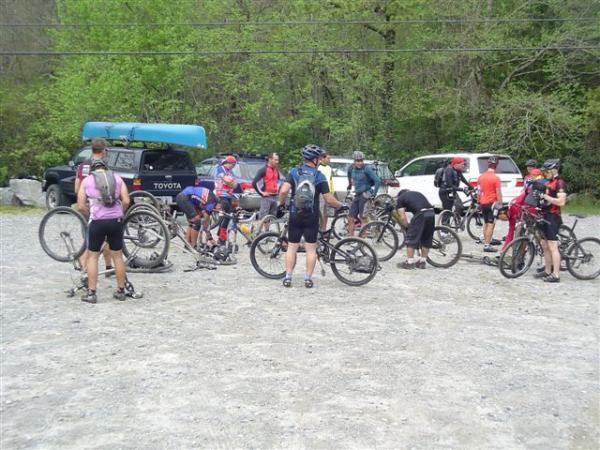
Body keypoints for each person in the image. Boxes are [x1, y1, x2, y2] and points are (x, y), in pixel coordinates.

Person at [277, 145, 345, 288]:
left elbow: (283, 191)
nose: (320, 160)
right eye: (319, 158)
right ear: (314, 159)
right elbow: (329, 199)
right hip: (311, 216)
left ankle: (288, 277)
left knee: (291, 247)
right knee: (311, 249)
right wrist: (341, 206)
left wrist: (281, 205)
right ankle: (307, 279)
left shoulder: (294, 172)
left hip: (295, 214)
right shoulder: (319, 176)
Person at [77, 159, 130, 303]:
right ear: (106, 168)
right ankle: (121, 291)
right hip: (115, 221)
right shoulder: (117, 178)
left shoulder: (87, 181)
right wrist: (120, 212)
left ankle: (91, 293)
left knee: (93, 257)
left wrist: (90, 215)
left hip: (97, 222)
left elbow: (80, 205)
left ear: (93, 169)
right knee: (118, 256)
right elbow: (126, 200)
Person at [75, 138, 113, 273]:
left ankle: (109, 266)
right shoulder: (103, 167)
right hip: (99, 208)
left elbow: (77, 188)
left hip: (84, 206)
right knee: (96, 242)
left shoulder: (82, 166)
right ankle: (83, 269)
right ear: (103, 151)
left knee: (100, 239)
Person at [534, 159, 567, 283]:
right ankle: (547, 270)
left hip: (553, 216)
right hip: (545, 215)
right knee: (544, 245)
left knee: (553, 245)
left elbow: (561, 202)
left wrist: (546, 197)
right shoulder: (549, 182)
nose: (545, 173)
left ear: (554, 170)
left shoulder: (560, 183)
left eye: (547, 171)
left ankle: (556, 274)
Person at [502, 168, 544, 250]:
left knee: (535, 231)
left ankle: (540, 246)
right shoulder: (529, 187)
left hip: (534, 210)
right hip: (528, 211)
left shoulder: (539, 185)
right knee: (528, 232)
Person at [394, 189, 436, 269]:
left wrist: (406, 226)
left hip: (421, 214)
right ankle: (422, 262)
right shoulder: (416, 193)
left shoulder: (400, 199)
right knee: (426, 238)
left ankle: (409, 263)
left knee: (411, 238)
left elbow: (402, 217)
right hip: (431, 212)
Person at [346, 151, 380, 236]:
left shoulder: (366, 168)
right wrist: (349, 185)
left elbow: (377, 180)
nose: (360, 162)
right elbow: (349, 177)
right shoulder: (351, 168)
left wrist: (374, 194)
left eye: (361, 160)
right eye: (358, 161)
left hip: (365, 194)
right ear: (354, 161)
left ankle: (361, 242)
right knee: (350, 218)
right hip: (357, 194)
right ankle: (350, 238)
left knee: (363, 218)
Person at [477, 155, 503, 252]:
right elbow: (498, 193)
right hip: (492, 203)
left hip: (483, 203)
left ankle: (486, 242)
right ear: (496, 165)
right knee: (491, 224)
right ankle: (487, 245)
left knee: (486, 223)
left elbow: (478, 192)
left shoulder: (481, 177)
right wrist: (500, 204)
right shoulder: (496, 178)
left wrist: (478, 201)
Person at [252, 153, 280, 231]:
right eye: (275, 160)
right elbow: (254, 183)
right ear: (270, 159)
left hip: (275, 197)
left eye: (278, 160)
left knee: (270, 217)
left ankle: (266, 233)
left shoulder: (276, 170)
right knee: (263, 217)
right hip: (266, 197)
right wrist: (261, 193)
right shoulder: (263, 170)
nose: (277, 162)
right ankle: (257, 234)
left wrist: (278, 191)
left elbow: (278, 181)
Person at [438, 156, 471, 223]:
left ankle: (456, 218)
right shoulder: (448, 170)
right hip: (445, 192)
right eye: (462, 164)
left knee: (460, 206)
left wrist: (471, 187)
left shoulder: (458, 170)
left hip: (452, 191)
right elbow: (450, 185)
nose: (463, 165)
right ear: (456, 164)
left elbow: (463, 179)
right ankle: (444, 230)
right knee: (448, 210)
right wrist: (462, 189)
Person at [214, 155, 238, 245]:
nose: (233, 167)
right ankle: (222, 239)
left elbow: (235, 184)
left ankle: (221, 237)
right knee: (226, 217)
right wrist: (229, 182)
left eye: (234, 165)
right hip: (221, 196)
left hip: (228, 196)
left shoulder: (230, 172)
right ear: (227, 163)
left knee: (227, 217)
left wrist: (230, 183)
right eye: (232, 165)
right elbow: (227, 181)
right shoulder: (220, 169)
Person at [317, 150, 334, 231]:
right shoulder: (318, 168)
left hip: (328, 192)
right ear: (323, 158)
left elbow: (331, 180)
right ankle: (318, 228)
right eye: (328, 158)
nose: (329, 160)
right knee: (320, 211)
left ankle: (324, 229)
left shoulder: (329, 168)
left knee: (326, 212)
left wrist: (332, 191)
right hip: (321, 193)